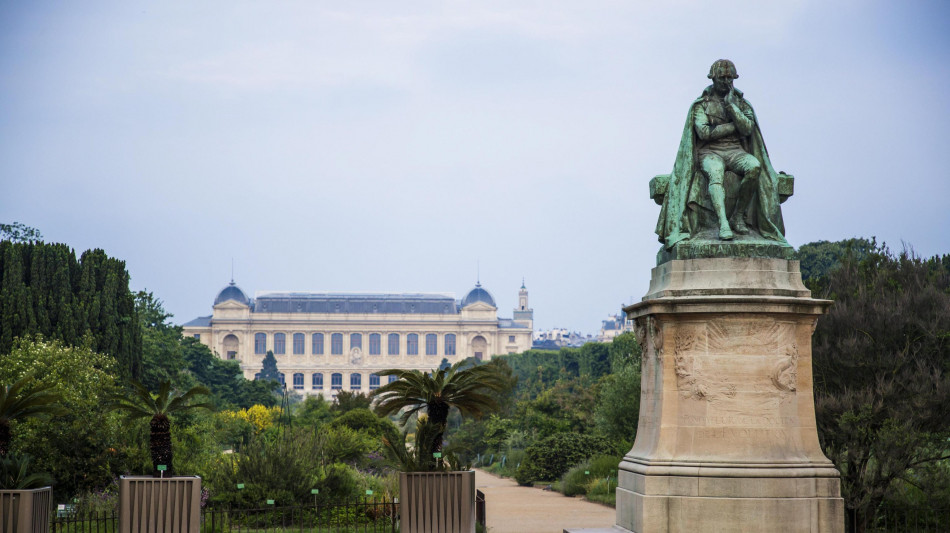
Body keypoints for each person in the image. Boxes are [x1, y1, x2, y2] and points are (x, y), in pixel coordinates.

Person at [655, 59, 788, 248]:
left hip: (735, 152)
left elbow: (748, 129)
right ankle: (723, 223)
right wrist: (734, 126)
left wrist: (731, 107)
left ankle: (737, 218)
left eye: (729, 78)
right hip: (710, 153)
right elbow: (704, 133)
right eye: (722, 78)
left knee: (754, 167)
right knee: (715, 173)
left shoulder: (741, 104)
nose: (726, 82)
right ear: (713, 78)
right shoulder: (702, 105)